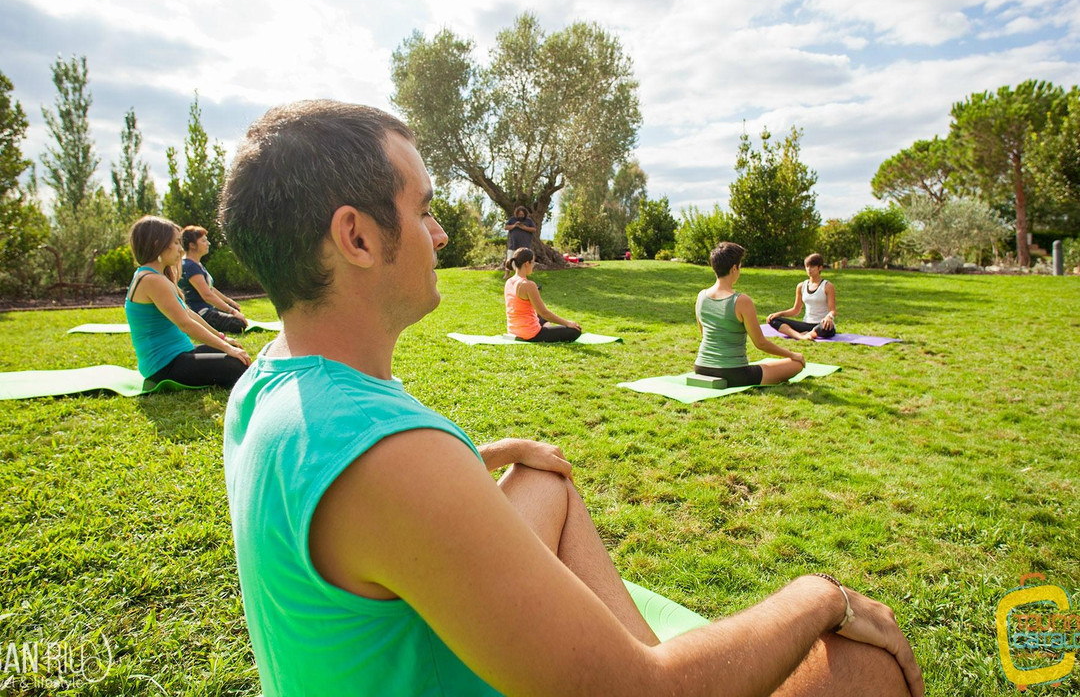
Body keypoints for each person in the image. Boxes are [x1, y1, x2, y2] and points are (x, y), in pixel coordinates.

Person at [220, 101, 922, 697]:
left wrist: (483, 453)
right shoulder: (393, 460)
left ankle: (645, 643)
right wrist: (822, 594)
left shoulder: (268, 381)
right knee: (862, 667)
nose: (439, 234)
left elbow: (357, 502)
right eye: (424, 209)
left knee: (542, 475)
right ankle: (666, 655)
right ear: (358, 237)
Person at [125, 216, 251, 388]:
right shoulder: (151, 280)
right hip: (164, 365)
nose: (180, 249)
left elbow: (189, 313)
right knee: (236, 365)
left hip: (180, 353)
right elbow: (185, 324)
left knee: (238, 356)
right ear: (157, 244)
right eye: (176, 243)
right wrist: (226, 347)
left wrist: (223, 339)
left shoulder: (156, 276)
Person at [695, 242, 809, 387]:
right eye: (740, 267)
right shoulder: (741, 301)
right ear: (734, 268)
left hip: (701, 367)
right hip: (734, 373)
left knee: (769, 363)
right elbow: (760, 343)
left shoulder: (701, 296)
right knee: (796, 364)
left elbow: (703, 332)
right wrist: (792, 354)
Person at [178, 225, 249, 334]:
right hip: (200, 313)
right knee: (238, 324)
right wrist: (232, 311)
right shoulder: (190, 266)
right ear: (192, 245)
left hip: (207, 309)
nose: (208, 243)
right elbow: (207, 295)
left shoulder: (196, 264)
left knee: (235, 311)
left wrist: (230, 303)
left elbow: (210, 288)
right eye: (204, 241)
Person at [505, 247, 582, 343]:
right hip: (530, 334)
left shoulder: (509, 281)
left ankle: (546, 328)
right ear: (526, 263)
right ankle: (546, 330)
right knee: (575, 330)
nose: (533, 265)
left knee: (543, 320)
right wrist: (568, 323)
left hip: (513, 331)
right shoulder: (528, 284)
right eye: (533, 262)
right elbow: (545, 313)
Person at [767, 253, 838, 340]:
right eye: (807, 266)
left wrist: (829, 317)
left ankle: (810, 334)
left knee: (827, 327)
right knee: (773, 320)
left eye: (812, 266)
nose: (809, 269)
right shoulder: (801, 286)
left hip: (822, 324)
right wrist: (779, 314)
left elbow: (833, 310)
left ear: (820, 268)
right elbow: (796, 310)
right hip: (806, 324)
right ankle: (800, 336)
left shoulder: (827, 286)